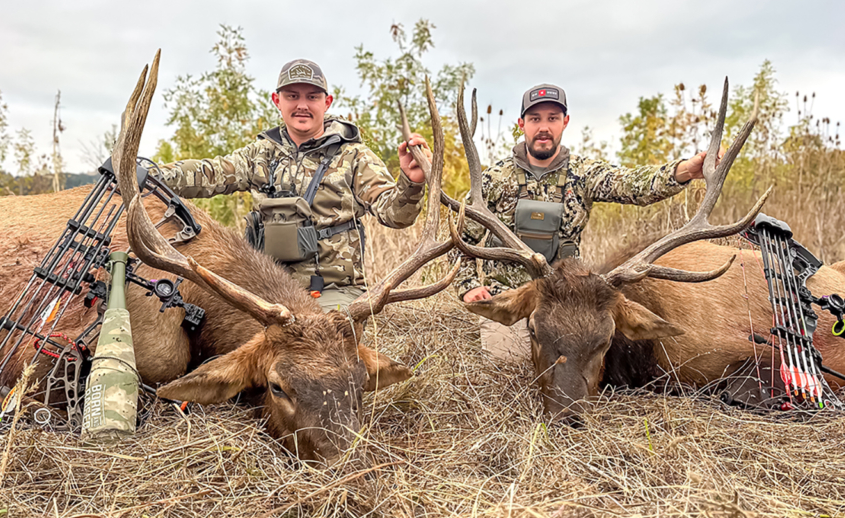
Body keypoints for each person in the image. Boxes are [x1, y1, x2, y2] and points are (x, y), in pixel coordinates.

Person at [454, 83, 712, 360]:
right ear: (522, 124)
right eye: (535, 119)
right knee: (511, 368)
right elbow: (461, 240)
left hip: (568, 304)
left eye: (552, 119)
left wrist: (683, 171)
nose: (544, 127)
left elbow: (632, 185)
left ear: (565, 122)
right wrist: (468, 286)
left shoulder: (584, 174)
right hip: (510, 299)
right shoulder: (493, 179)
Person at [159, 59, 431, 309]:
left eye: (312, 97)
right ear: (277, 100)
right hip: (264, 290)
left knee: (314, 342)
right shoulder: (260, 154)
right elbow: (209, 173)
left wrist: (411, 182)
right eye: (292, 96)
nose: (302, 105)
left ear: (327, 102)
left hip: (331, 293)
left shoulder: (354, 157)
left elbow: (396, 216)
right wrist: (152, 173)